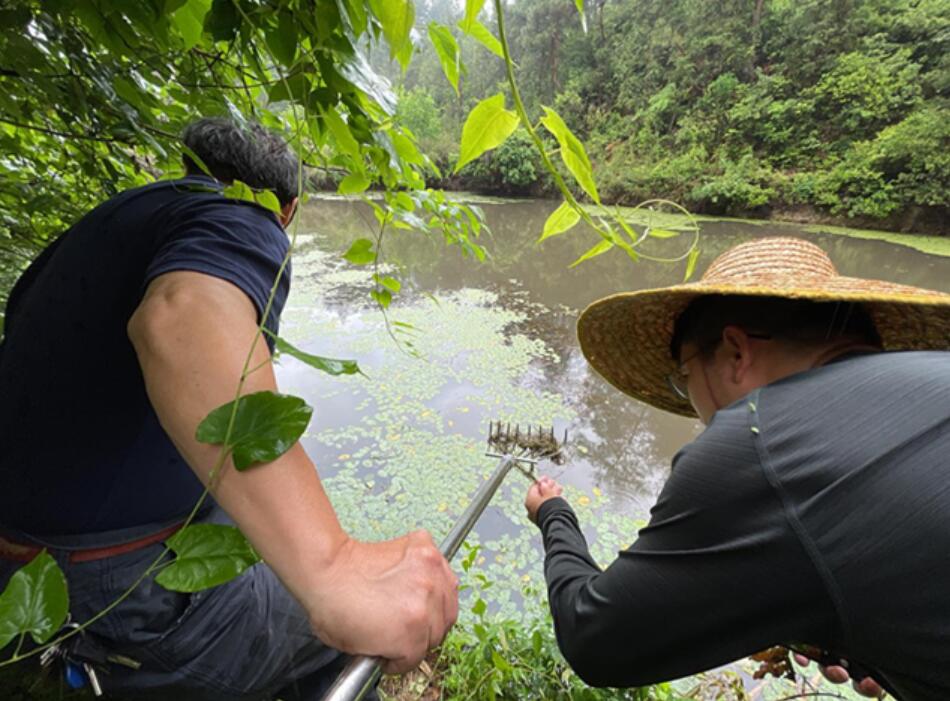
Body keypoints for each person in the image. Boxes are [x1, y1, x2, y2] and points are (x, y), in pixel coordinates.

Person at [0, 117, 458, 699]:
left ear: (190, 167)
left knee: (257, 548)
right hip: (111, 579)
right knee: (347, 639)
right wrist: (333, 564)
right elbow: (181, 316)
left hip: (22, 558)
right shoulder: (239, 216)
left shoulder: (124, 217)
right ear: (287, 210)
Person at [525, 237, 950, 701]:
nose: (693, 407)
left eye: (683, 378)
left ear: (736, 353)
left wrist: (554, 513)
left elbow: (594, 640)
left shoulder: (758, 439)